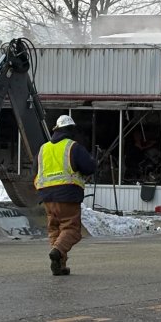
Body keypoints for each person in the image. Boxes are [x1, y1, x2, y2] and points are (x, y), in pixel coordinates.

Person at [35, 114, 97, 276]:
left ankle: (60, 265)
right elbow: (89, 167)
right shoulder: (73, 147)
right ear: (71, 130)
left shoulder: (44, 148)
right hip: (67, 194)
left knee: (55, 229)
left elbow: (36, 171)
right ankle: (58, 251)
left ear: (56, 129)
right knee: (71, 229)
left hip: (46, 196)